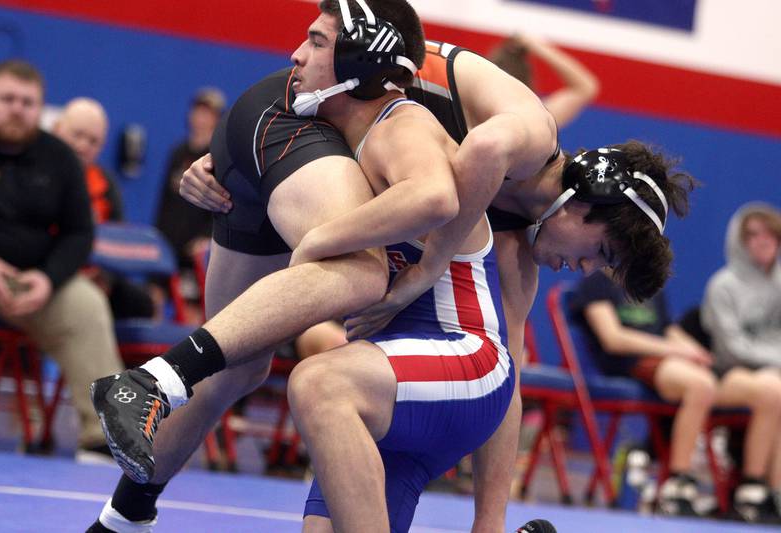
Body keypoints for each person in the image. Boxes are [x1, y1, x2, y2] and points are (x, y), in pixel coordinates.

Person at [89, 1, 692, 530]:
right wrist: (428, 263)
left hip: (316, 147)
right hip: (308, 103)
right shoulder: (528, 137)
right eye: (602, 253)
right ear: (584, 203)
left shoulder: (514, 244)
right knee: (359, 278)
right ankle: (154, 385)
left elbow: (507, 371)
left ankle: (125, 515)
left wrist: (490, 521)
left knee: (237, 368)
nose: (584, 269)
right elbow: (470, 153)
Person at [0, 60, 123, 461]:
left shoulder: (58, 157)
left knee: (86, 305)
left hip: (31, 282)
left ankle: (102, 437)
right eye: (7, 99)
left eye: (28, 102)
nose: (17, 109)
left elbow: (80, 232)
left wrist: (48, 278)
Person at [570, 272, 716, 517]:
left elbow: (668, 329)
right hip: (626, 363)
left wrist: (697, 353)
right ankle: (677, 484)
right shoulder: (597, 282)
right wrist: (674, 351)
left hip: (663, 360)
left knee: (712, 382)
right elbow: (613, 339)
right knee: (699, 386)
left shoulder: (648, 282)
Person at [702, 202, 781, 523]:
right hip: (728, 373)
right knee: (772, 390)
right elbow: (732, 347)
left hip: (773, 371)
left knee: (776, 386)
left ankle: (775, 492)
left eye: (770, 235)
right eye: (753, 235)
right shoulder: (723, 285)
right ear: (740, 241)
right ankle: (751, 487)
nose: (763, 242)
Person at [53, 97, 155, 320]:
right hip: (50, 273)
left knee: (140, 303)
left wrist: (105, 278)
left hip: (95, 275)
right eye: (77, 135)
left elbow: (118, 239)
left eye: (93, 141)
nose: (83, 146)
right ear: (57, 129)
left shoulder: (105, 182)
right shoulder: (36, 174)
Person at [154, 87, 225, 299]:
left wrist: (206, 238)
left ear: (217, 119)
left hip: (194, 253)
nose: (202, 118)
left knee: (192, 309)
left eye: (209, 113)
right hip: (168, 247)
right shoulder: (178, 153)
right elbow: (164, 201)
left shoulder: (219, 157)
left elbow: (223, 203)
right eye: (199, 111)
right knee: (154, 297)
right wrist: (157, 238)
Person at [487, 33, 599, 129]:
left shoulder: (472, 114)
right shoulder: (536, 118)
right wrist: (537, 46)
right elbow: (585, 87)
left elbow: (585, 88)